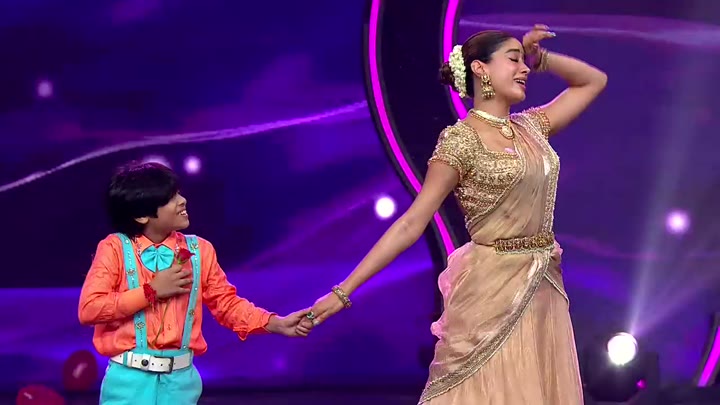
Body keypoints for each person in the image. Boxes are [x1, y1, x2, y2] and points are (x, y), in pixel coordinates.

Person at [299, 25, 607, 404]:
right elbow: (411, 223)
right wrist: (343, 292)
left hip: (544, 287)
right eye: (513, 59)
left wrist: (541, 58)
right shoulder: (460, 141)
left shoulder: (531, 126)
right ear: (480, 69)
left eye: (524, 62)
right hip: (491, 293)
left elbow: (593, 81)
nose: (524, 69)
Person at [79, 162, 312, 405]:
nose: (183, 201)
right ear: (141, 215)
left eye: (179, 193)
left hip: (181, 385)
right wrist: (150, 291)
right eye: (170, 198)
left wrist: (276, 323)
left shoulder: (200, 250)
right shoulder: (114, 248)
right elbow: (89, 309)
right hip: (128, 383)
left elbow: (227, 304)